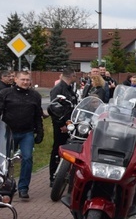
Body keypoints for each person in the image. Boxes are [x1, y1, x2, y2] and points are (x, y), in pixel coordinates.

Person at [0, 71, 43, 199]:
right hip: (8, 133)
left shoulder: (35, 96)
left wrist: (40, 132)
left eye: (27, 80)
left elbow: (38, 115)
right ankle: (4, 186)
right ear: (16, 80)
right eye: (22, 79)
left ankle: (23, 188)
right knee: (5, 160)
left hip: (27, 133)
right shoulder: (5, 94)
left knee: (27, 158)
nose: (25, 82)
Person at [48, 68, 78, 185]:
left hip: (70, 124)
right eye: (75, 76)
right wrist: (62, 124)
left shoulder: (69, 89)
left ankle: (65, 173)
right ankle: (53, 177)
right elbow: (55, 109)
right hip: (61, 125)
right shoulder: (58, 89)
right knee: (57, 149)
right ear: (72, 76)